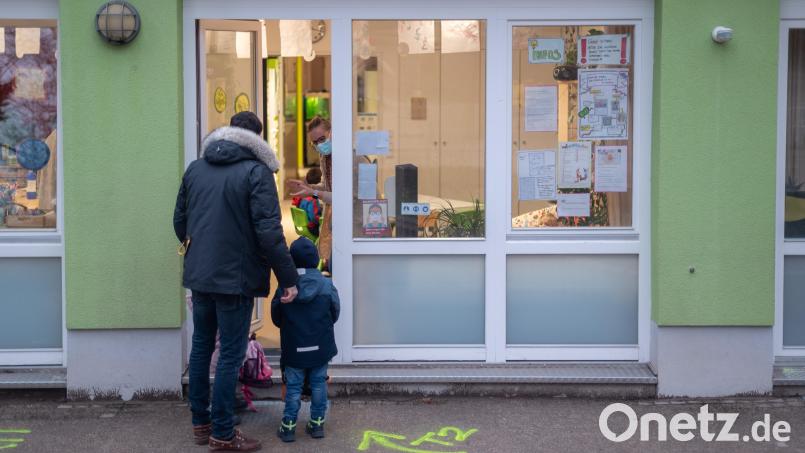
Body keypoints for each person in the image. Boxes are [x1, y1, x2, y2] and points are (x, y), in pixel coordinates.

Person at [174, 111, 299, 452]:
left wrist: (199, 251)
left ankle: (201, 424)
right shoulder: (257, 173)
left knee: (201, 347)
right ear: (257, 140)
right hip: (235, 278)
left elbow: (179, 221)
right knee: (230, 353)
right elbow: (269, 233)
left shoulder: (196, 168)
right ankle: (224, 433)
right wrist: (288, 278)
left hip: (199, 275)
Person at [272, 237, 340, 443]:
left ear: (292, 261)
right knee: (319, 383)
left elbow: (276, 317)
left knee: (293, 386)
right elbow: (335, 313)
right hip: (321, 346)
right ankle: (317, 424)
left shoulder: (285, 288)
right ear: (316, 259)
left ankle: (288, 427)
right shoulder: (327, 285)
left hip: (294, 347)